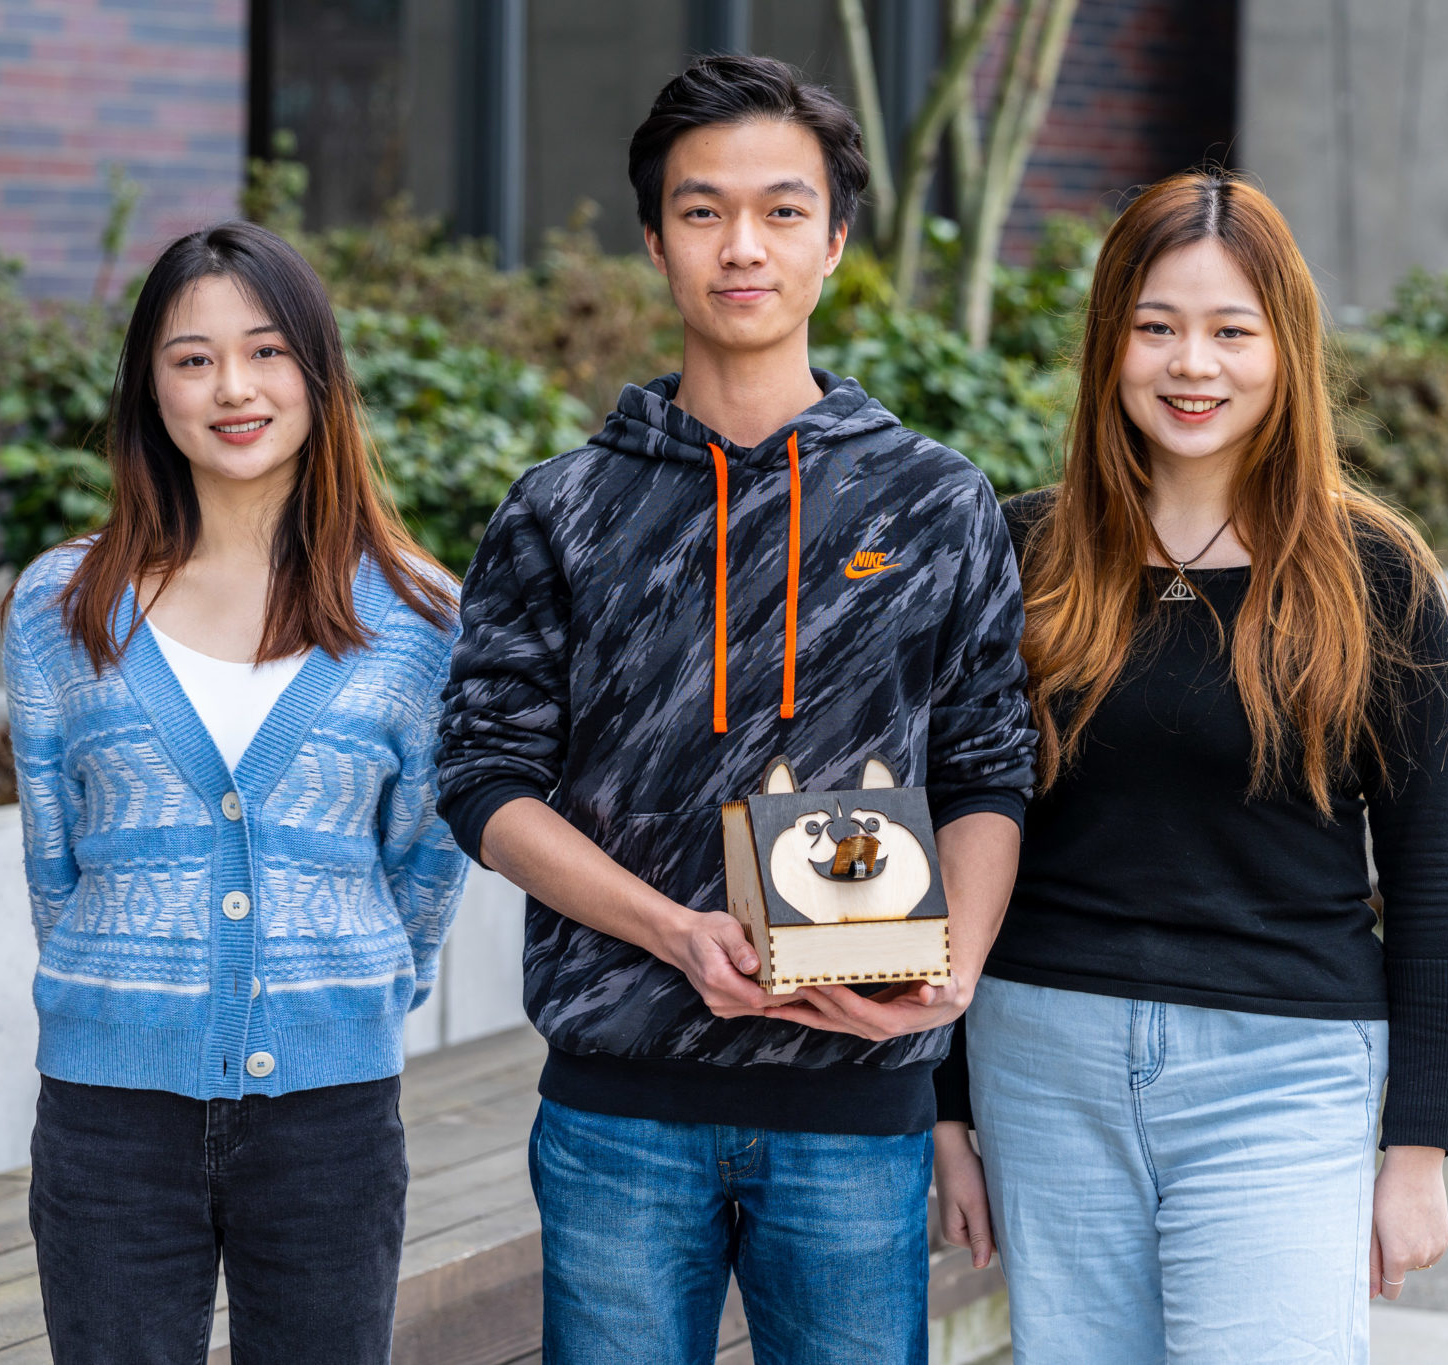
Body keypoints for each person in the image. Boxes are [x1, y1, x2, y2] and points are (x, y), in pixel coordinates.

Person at [435, 54, 1034, 1365]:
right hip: (618, 1104)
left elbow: (991, 766)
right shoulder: (562, 508)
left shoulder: (936, 503)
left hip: (856, 1101)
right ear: (655, 240)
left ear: (834, 241)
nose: (742, 246)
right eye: (704, 211)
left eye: (780, 209)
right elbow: (483, 781)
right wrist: (672, 933)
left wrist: (954, 976)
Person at [931, 170, 1448, 1363]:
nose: (1192, 365)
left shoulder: (1373, 576)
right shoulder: (1022, 552)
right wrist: (948, 1111)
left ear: (1286, 349)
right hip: (1042, 1055)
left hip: (1283, 1066)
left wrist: (1415, 1152)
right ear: (1109, 341)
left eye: (1232, 331)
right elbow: (953, 832)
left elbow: (1427, 879)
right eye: (1156, 327)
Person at [2, 220, 466, 1363]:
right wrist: (135, 995)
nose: (232, 388)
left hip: (330, 1116)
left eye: (264, 352)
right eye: (191, 358)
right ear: (148, 388)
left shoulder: (417, 616)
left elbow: (427, 856)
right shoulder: (62, 606)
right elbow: (52, 860)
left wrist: (333, 992)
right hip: (110, 1112)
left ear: (316, 375)